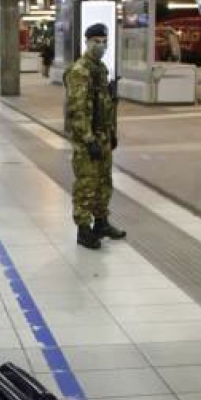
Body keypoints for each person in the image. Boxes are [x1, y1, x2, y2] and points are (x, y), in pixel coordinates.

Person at [65, 23, 125, 249]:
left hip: (103, 137)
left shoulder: (101, 69)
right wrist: (88, 140)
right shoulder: (80, 71)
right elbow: (77, 109)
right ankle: (83, 230)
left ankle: (101, 223)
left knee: (104, 182)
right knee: (86, 184)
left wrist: (112, 133)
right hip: (87, 140)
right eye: (96, 42)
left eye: (103, 41)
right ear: (87, 42)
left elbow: (107, 106)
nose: (101, 46)